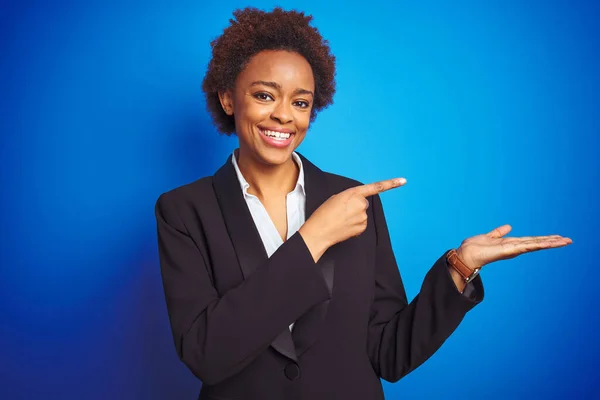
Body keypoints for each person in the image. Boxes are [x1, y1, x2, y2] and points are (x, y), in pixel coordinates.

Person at [155, 7, 572, 400]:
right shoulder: (183, 211)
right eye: (265, 95)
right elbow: (206, 354)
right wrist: (314, 237)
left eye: (300, 102)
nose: (284, 116)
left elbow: (387, 353)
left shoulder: (355, 201)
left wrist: (459, 269)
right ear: (229, 99)